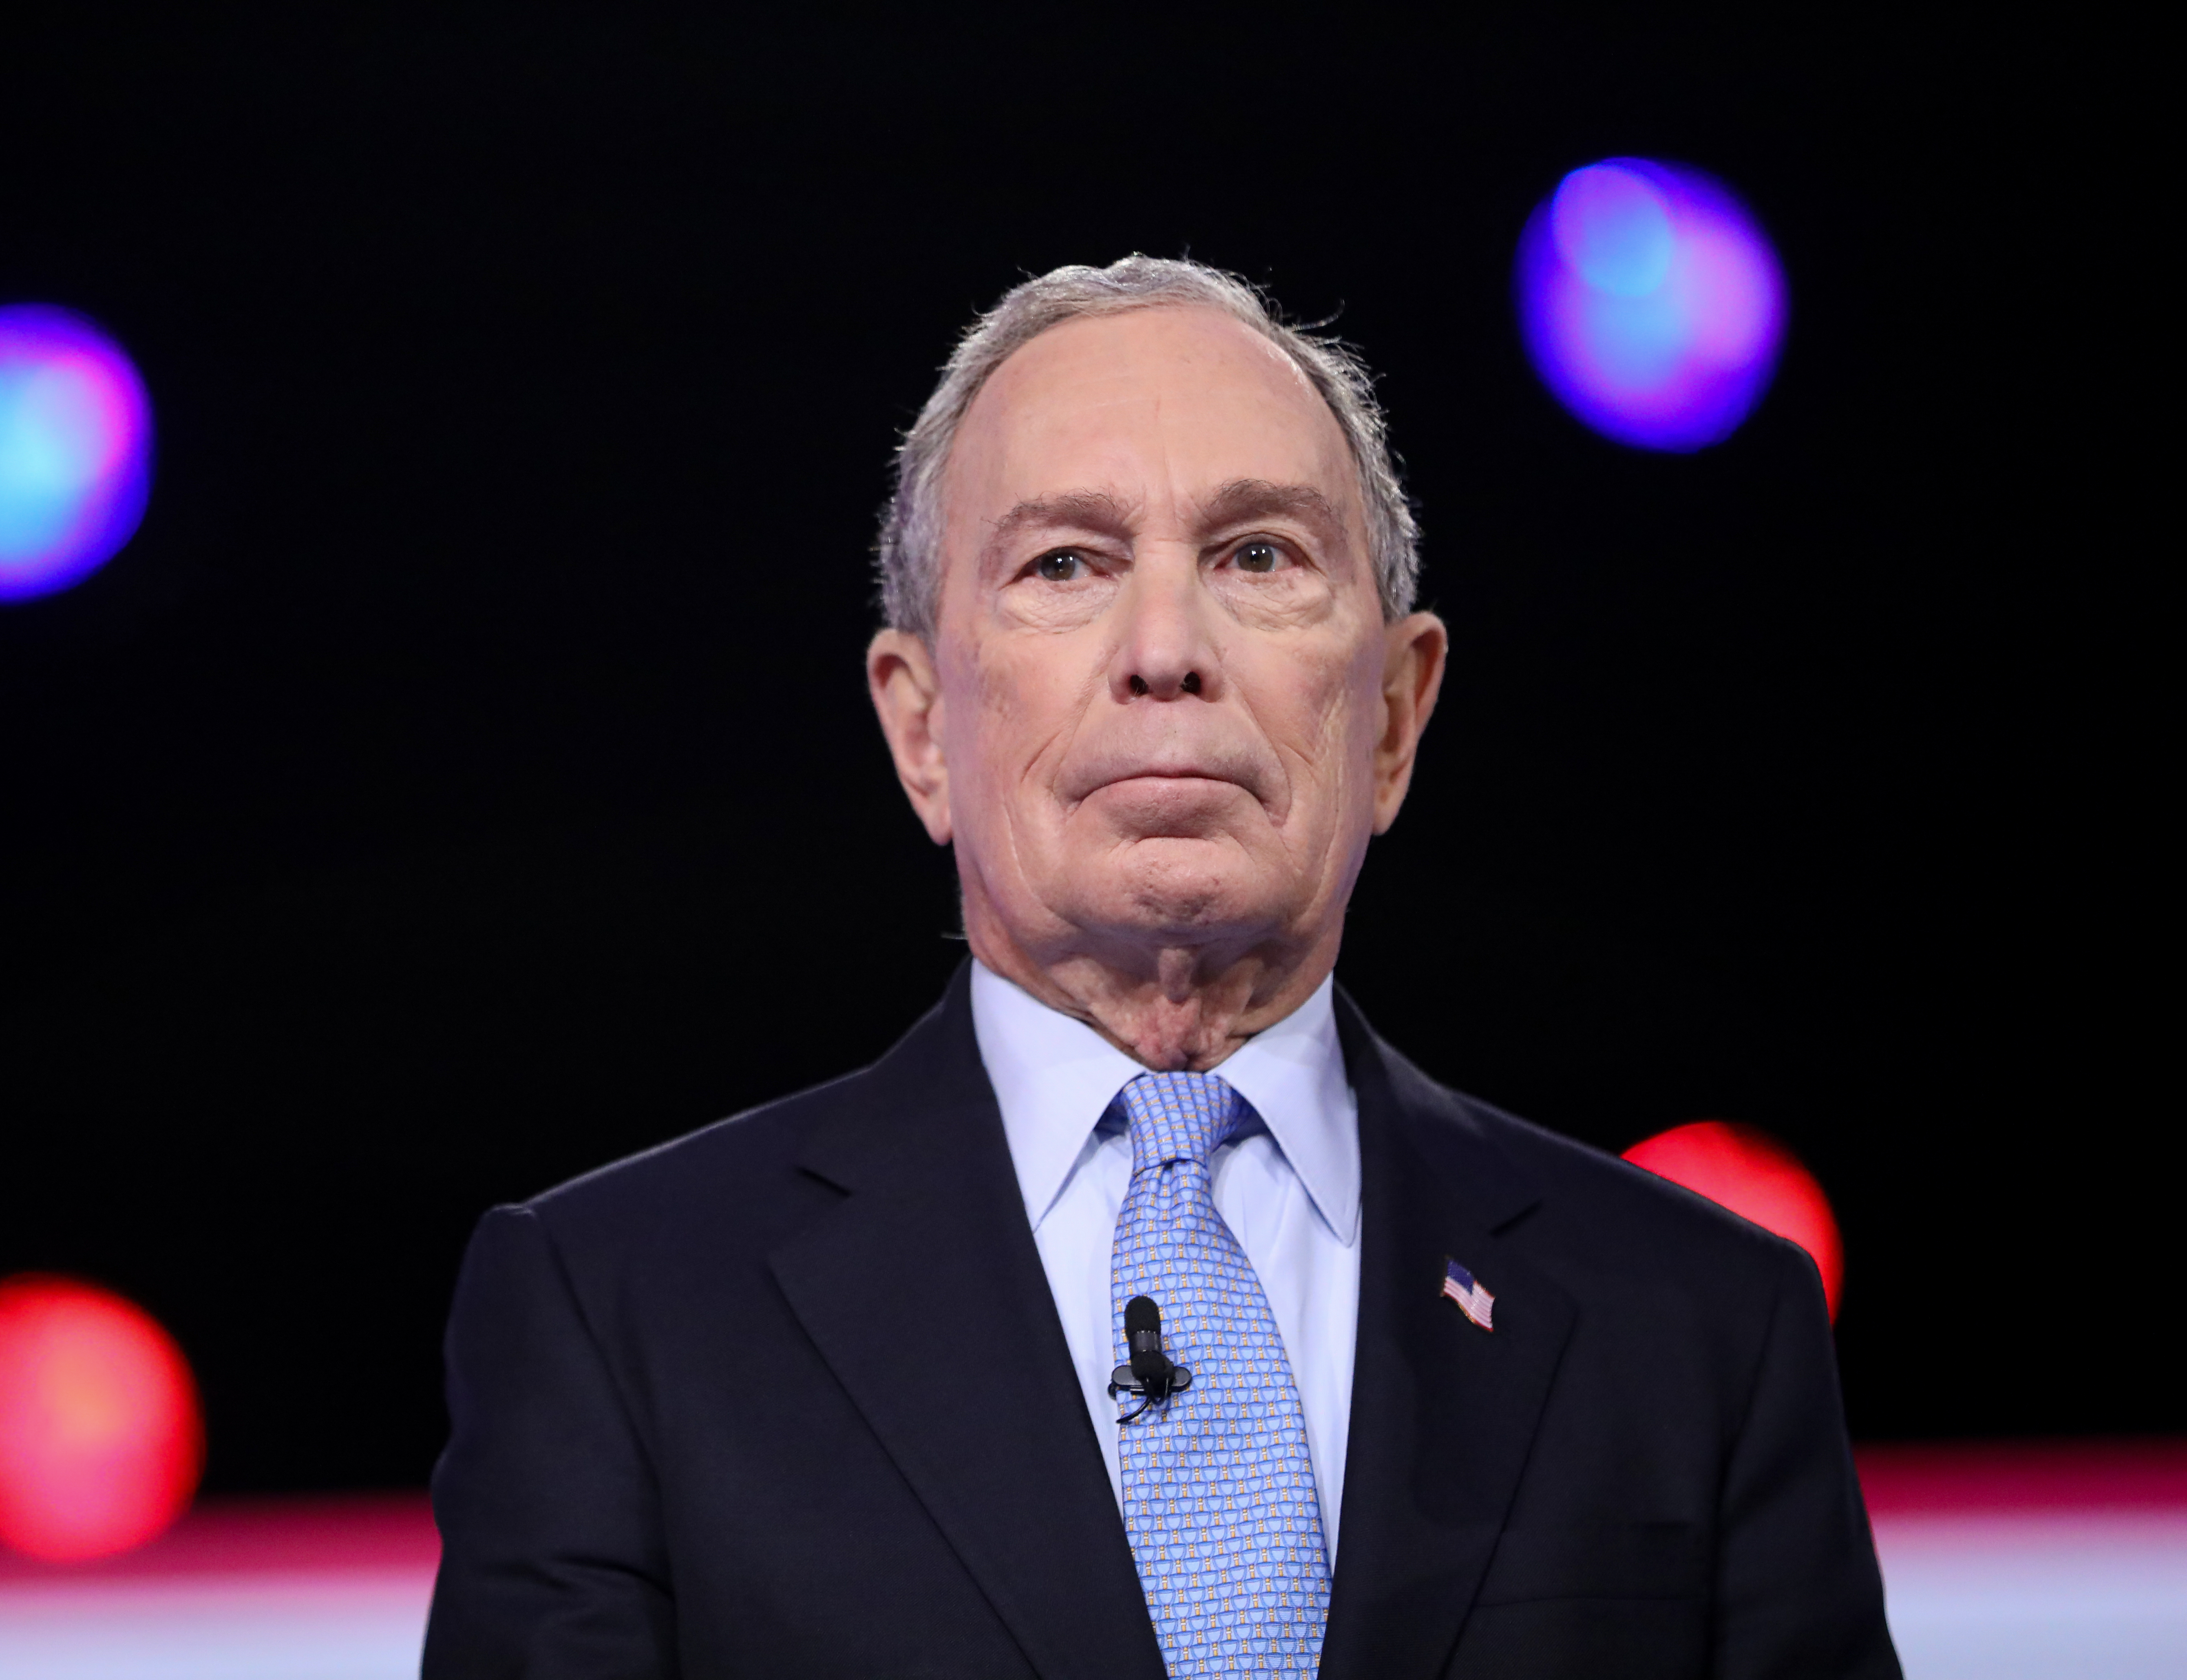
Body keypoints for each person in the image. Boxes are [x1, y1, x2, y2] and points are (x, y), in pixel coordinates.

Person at [422, 256, 1900, 1679]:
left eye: (1258, 555)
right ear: (923, 727)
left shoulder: (1703, 1328)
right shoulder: (616, 1316)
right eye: (1067, 563)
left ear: (1393, 715)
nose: (1166, 649)